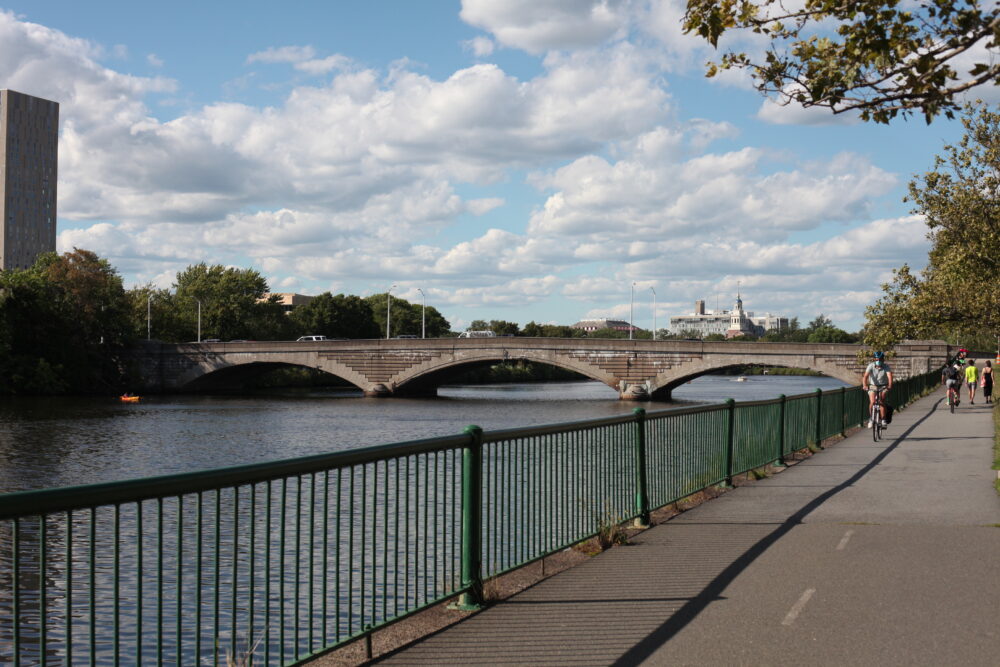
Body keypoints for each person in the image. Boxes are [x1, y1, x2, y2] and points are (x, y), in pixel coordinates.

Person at [863, 351, 893, 426]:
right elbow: (865, 376)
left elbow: (889, 376)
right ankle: (871, 418)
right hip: (873, 386)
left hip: (883, 386)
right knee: (872, 402)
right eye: (876, 359)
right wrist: (865, 385)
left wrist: (890, 385)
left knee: (881, 401)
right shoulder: (871, 366)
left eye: (880, 359)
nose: (878, 361)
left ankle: (883, 419)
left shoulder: (886, 366)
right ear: (874, 359)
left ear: (883, 360)